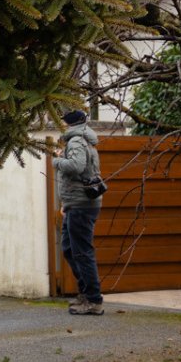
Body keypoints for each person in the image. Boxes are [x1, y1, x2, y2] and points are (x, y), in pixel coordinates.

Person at [53, 109, 104, 314]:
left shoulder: (75, 141)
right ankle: (86, 293)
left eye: (63, 122)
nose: (62, 126)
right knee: (69, 248)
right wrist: (66, 203)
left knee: (82, 252)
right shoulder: (84, 139)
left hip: (82, 205)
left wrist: (56, 160)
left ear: (69, 124)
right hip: (77, 203)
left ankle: (93, 300)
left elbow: (76, 166)